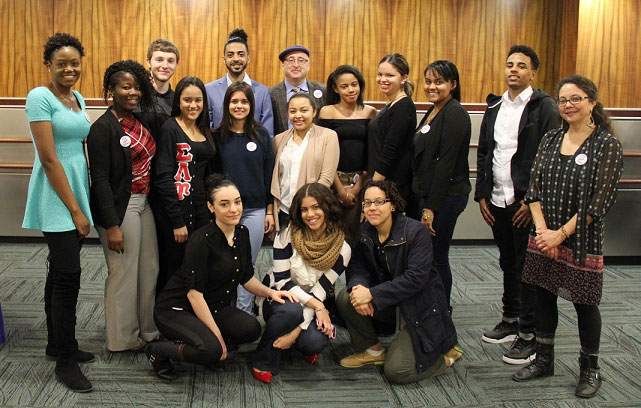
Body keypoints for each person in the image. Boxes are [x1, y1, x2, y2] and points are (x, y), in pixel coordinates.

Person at [512, 75, 623, 399]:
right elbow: (534, 191)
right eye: (563, 100)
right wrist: (544, 231)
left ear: (592, 103)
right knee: (544, 296)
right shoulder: (550, 139)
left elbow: (598, 202)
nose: (568, 105)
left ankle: (590, 368)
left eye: (576, 99)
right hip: (544, 235)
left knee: (585, 303)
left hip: (581, 240)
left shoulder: (606, 144)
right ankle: (544, 359)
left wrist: (560, 234)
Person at [147, 175, 294, 380]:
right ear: (211, 207)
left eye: (237, 202)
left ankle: (205, 342)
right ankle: (158, 351)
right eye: (224, 204)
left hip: (213, 306)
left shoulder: (241, 233)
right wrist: (217, 338)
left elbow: (246, 278)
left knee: (251, 329)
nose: (234, 209)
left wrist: (271, 292)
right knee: (212, 350)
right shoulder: (201, 240)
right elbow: (194, 295)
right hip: (177, 309)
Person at [475, 45, 559, 364]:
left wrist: (531, 199)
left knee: (528, 268)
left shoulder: (544, 106)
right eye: (509, 64)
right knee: (508, 262)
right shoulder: (495, 105)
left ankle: (530, 336)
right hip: (497, 198)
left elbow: (548, 157)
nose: (513, 70)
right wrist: (482, 193)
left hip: (526, 203)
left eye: (521, 66)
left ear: (532, 73)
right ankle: (510, 320)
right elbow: (485, 151)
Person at [23, 33, 94, 393]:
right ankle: (65, 361)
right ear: (48, 64)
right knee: (69, 276)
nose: (69, 68)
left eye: (75, 63)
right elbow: (50, 160)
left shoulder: (77, 97)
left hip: (75, 189)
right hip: (56, 196)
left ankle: (56, 343)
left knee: (58, 272)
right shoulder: (39, 97)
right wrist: (76, 211)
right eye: (61, 63)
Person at [337, 180, 461, 384]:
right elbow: (358, 267)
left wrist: (373, 295)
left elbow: (416, 279)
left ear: (392, 205)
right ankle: (372, 350)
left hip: (420, 308)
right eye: (367, 203)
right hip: (392, 302)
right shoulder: (365, 231)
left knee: (397, 372)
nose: (372, 208)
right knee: (347, 297)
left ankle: (444, 357)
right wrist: (359, 287)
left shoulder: (415, 232)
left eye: (379, 202)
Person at [87, 60, 162, 353]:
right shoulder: (102, 128)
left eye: (136, 87)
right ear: (112, 89)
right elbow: (101, 180)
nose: (132, 92)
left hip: (144, 205)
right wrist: (112, 225)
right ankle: (122, 339)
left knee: (149, 270)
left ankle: (149, 331)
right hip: (121, 208)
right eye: (124, 86)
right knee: (123, 273)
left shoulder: (140, 120)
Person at [252, 183, 351, 383]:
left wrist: (296, 332)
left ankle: (292, 338)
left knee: (314, 343)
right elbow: (282, 282)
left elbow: (320, 291)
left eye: (316, 207)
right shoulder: (287, 235)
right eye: (304, 209)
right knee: (291, 311)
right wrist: (318, 306)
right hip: (280, 296)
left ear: (327, 208)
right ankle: (263, 357)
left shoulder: (342, 249)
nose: (310, 214)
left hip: (312, 300)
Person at [411, 60, 471, 311]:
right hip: (429, 195)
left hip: (445, 197)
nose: (432, 86)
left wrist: (430, 209)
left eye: (439, 81)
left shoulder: (455, 112)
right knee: (428, 256)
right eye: (428, 81)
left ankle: (442, 310)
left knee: (437, 257)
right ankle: (431, 305)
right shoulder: (434, 110)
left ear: (453, 84)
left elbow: (446, 163)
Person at [214, 81, 275, 314]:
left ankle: (244, 314)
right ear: (227, 104)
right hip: (224, 213)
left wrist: (269, 210)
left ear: (252, 104)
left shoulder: (261, 135)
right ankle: (224, 313)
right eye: (234, 101)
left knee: (245, 264)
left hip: (255, 210)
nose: (239, 106)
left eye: (244, 101)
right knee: (223, 265)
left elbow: (268, 174)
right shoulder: (217, 136)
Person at [153, 76, 216, 292]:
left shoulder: (204, 128)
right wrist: (176, 221)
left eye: (198, 100)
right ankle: (167, 318)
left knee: (197, 267)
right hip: (177, 212)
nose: (193, 105)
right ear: (178, 101)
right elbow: (163, 175)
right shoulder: (171, 128)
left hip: (201, 210)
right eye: (187, 100)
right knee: (174, 269)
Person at [319, 65, 377, 246]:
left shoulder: (370, 112)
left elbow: (371, 154)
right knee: (329, 237)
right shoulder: (326, 112)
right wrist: (340, 189)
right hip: (332, 182)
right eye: (344, 86)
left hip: (361, 184)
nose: (351, 90)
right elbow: (324, 154)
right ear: (335, 89)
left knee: (356, 240)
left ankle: (356, 275)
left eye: (354, 84)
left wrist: (356, 188)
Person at [271, 92, 339, 232]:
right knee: (284, 253)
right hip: (284, 210)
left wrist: (307, 207)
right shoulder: (279, 139)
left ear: (314, 112)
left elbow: (326, 179)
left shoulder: (328, 136)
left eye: (304, 110)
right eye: (293, 111)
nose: (298, 116)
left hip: (312, 212)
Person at [367, 53, 417, 206]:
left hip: (390, 187)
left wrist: (373, 188)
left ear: (403, 78)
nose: (383, 79)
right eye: (380, 74)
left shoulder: (403, 107)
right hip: (382, 184)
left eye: (390, 75)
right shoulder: (391, 104)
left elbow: (390, 153)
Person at [206, 29, 274, 135]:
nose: (236, 59)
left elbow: (268, 134)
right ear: (224, 60)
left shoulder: (263, 92)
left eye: (241, 54)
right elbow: (207, 131)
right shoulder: (209, 91)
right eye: (230, 55)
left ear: (248, 59)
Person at [270, 45, 326, 135]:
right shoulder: (271, 94)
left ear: (308, 65)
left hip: (316, 145)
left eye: (301, 60)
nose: (296, 65)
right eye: (291, 60)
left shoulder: (323, 91)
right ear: (283, 65)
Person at [145, 39, 180, 119]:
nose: (165, 66)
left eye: (170, 61)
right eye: (159, 60)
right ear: (148, 62)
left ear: (176, 65)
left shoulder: (178, 102)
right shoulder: (136, 97)